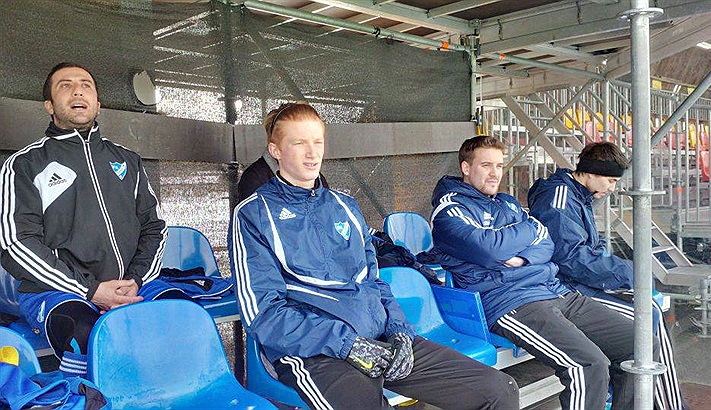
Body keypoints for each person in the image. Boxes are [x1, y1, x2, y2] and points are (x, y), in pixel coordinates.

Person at [229, 103, 518, 410]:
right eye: (299, 143)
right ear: (275, 150)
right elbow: (263, 313)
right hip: (312, 351)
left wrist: (399, 331)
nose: (312, 153)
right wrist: (346, 344)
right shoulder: (253, 213)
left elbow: (374, 282)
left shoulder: (344, 205)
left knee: (498, 390)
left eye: (318, 142)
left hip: (378, 337)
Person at [430, 135, 659, 410]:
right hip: (510, 302)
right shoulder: (449, 210)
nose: (495, 174)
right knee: (587, 365)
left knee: (641, 345)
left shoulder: (507, 204)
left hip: (555, 292)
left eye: (499, 166)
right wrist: (526, 234)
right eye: (486, 165)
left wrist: (521, 255)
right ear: (466, 168)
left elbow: (546, 242)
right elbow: (490, 249)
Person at [0, 62, 187, 377]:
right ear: (49, 106)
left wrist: (135, 281)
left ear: (98, 104)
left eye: (85, 85)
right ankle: (91, 396)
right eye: (65, 85)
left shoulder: (127, 160)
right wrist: (90, 290)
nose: (77, 91)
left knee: (184, 317)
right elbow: (16, 242)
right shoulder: (24, 165)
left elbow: (154, 227)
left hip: (131, 284)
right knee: (87, 335)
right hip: (57, 291)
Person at [528, 141, 687, 409]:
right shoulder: (559, 199)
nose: (612, 188)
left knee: (650, 311)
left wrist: (624, 272)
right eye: (611, 180)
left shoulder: (578, 194)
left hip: (580, 283)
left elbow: (592, 247)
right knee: (648, 318)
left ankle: (657, 402)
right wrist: (630, 272)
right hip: (565, 288)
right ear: (591, 172)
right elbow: (570, 259)